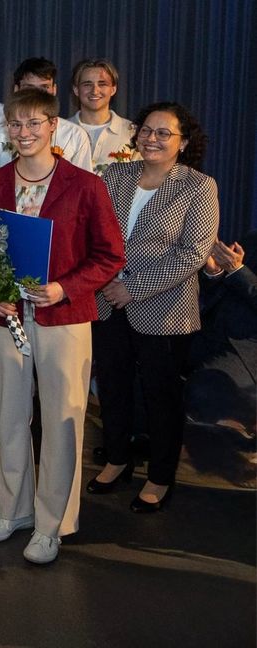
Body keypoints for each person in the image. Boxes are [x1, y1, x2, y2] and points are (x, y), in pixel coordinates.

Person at [0, 88, 124, 564]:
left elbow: (110, 255)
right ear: (6, 130)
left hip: (64, 319)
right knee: (11, 416)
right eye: (16, 124)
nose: (25, 132)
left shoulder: (85, 185)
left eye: (35, 123)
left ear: (54, 125)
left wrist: (65, 288)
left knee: (62, 421)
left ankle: (52, 522)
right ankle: (12, 509)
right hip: (6, 318)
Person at [90, 102, 219, 512]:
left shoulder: (199, 186)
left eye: (164, 133)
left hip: (164, 311)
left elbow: (193, 253)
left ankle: (161, 477)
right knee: (112, 388)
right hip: (107, 302)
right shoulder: (116, 174)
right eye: (147, 130)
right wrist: (107, 280)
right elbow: (93, 232)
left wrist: (134, 288)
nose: (152, 138)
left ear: (183, 142)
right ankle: (116, 459)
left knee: (160, 397)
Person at [187, 231, 257, 462]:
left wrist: (237, 271)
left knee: (202, 388)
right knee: (151, 363)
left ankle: (236, 439)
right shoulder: (252, 238)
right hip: (210, 332)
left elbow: (241, 280)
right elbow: (220, 290)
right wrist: (214, 272)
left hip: (245, 349)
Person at [0, 58, 92, 173]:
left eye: (44, 88)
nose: (37, 95)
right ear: (16, 90)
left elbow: (84, 188)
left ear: (54, 90)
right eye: (29, 88)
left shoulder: (75, 136)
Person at [68, 58, 140, 175]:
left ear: (113, 89)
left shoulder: (132, 132)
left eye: (102, 84)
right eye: (87, 84)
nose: (95, 91)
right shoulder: (58, 131)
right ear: (76, 90)